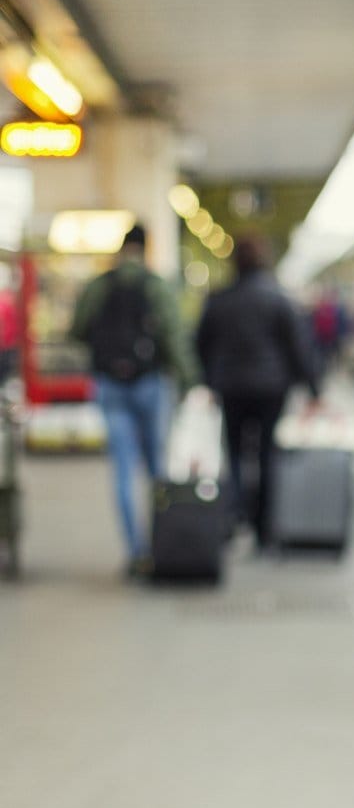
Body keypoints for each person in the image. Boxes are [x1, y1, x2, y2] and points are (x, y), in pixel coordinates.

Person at [69, 224, 197, 574]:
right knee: (157, 466)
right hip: (150, 383)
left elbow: (77, 330)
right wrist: (189, 382)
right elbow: (174, 336)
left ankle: (136, 552)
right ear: (146, 248)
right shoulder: (156, 285)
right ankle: (162, 544)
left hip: (110, 384)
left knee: (123, 469)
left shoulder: (100, 285)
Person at [194, 235, 320, 550]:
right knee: (267, 455)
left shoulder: (220, 299)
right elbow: (299, 347)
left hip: (231, 387)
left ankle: (236, 519)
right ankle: (265, 530)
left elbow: (200, 343)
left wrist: (208, 381)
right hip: (271, 388)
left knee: (235, 454)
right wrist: (314, 389)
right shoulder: (279, 299)